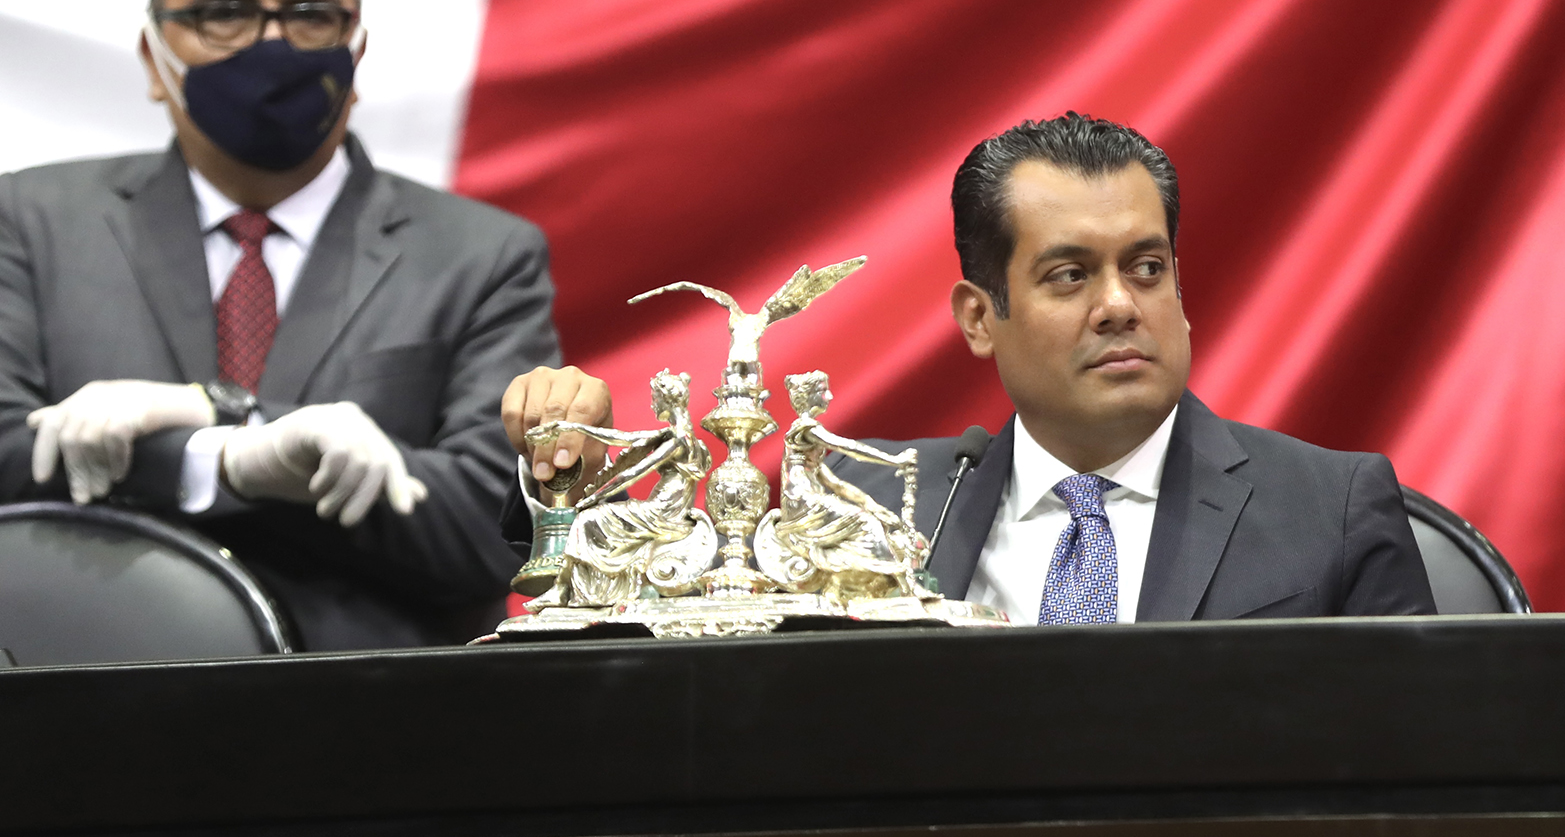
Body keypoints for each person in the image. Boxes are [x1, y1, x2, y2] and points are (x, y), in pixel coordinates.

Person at [506, 112, 1436, 622]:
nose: (1120, 303)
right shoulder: (869, 508)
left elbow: (1418, 803)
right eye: (1070, 274)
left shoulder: (1331, 510)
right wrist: (569, 494)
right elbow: (695, 637)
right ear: (980, 318)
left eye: (1147, 267)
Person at [0, 0, 563, 648]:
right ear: (152, 56)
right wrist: (227, 458)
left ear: (356, 48)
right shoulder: (30, 223)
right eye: (223, 12)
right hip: (86, 691)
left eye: (309, 15)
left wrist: (237, 424)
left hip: (369, 705)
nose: (271, 45)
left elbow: (490, 532)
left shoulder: (481, 256)